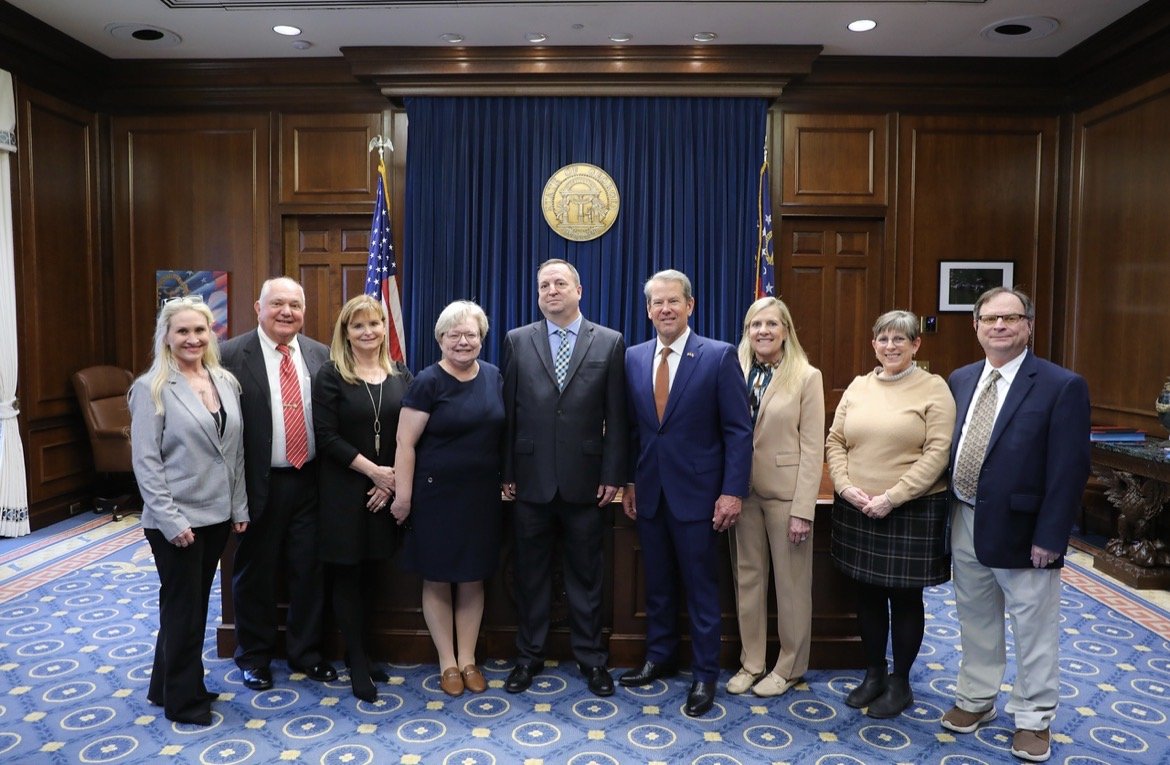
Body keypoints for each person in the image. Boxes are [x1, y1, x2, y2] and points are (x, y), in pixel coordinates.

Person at [942, 288, 1090, 763]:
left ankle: (1033, 717)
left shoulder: (1059, 385)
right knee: (975, 616)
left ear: (1029, 324)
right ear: (976, 325)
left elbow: (1069, 469)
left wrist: (1052, 535)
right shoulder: (960, 379)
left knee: (1033, 627)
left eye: (1010, 318)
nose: (999, 326)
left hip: (1027, 533)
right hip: (965, 518)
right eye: (990, 318)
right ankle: (977, 697)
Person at [619, 269, 753, 717]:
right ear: (648, 310)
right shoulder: (635, 357)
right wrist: (631, 482)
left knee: (700, 589)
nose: (665, 309)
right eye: (656, 303)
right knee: (656, 584)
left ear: (690, 306)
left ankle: (704, 675)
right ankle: (658, 657)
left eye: (673, 301)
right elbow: (636, 431)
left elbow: (738, 432)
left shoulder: (717, 356)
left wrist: (732, 492)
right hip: (652, 493)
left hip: (700, 497)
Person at [501, 259, 627, 698]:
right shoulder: (517, 340)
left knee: (585, 577)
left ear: (579, 289)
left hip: (586, 483)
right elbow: (509, 413)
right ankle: (528, 657)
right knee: (530, 575)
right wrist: (507, 472)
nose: (551, 291)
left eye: (559, 283)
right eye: (543, 285)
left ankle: (592, 660)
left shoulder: (610, 343)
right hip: (530, 482)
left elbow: (618, 416)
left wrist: (613, 474)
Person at [825, 309, 956, 719]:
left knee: (904, 598)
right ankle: (874, 673)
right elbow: (835, 441)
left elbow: (938, 453)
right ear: (874, 344)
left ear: (916, 344)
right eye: (883, 339)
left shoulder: (934, 389)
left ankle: (901, 682)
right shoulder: (860, 386)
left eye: (900, 339)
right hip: (857, 505)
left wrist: (893, 497)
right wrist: (844, 486)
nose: (891, 346)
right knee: (865, 593)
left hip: (910, 509)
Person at [129, 296, 249, 725]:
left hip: (216, 517)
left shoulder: (223, 380)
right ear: (166, 336)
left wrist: (239, 505)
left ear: (210, 333)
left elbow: (232, 452)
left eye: (199, 330)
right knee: (183, 608)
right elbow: (146, 462)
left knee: (191, 605)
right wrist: (170, 519)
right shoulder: (151, 388)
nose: (192, 338)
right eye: (182, 331)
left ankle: (166, 686)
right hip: (174, 522)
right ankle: (184, 701)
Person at [220, 277, 337, 691]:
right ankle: (254, 657)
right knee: (255, 575)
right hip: (258, 484)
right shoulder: (230, 355)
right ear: (258, 307)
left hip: (310, 482)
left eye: (295, 305)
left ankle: (306, 653)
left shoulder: (320, 354)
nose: (287, 312)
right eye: (277, 305)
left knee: (309, 571)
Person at [390, 300, 504, 698]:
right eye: (454, 334)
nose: (463, 341)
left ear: (481, 339)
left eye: (470, 334)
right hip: (436, 496)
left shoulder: (493, 376)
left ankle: (469, 659)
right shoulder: (426, 381)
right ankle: (447, 663)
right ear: (440, 339)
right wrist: (403, 496)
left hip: (481, 497)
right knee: (438, 577)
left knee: (473, 577)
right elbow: (405, 443)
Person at [312, 294, 411, 702]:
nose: (367, 332)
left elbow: (408, 436)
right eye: (358, 326)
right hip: (343, 491)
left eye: (374, 324)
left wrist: (389, 483)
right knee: (348, 576)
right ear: (346, 333)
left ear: (384, 328)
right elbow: (325, 437)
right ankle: (355, 661)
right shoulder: (331, 374)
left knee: (373, 576)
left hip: (383, 492)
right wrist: (373, 472)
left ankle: (365, 655)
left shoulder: (401, 374)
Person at [727, 297, 824, 698]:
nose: (762, 331)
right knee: (747, 579)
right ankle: (752, 662)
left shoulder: (806, 376)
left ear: (786, 330)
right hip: (741, 491)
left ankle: (789, 665)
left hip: (786, 496)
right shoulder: (734, 368)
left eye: (770, 324)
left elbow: (813, 446)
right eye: (755, 325)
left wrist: (804, 509)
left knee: (791, 584)